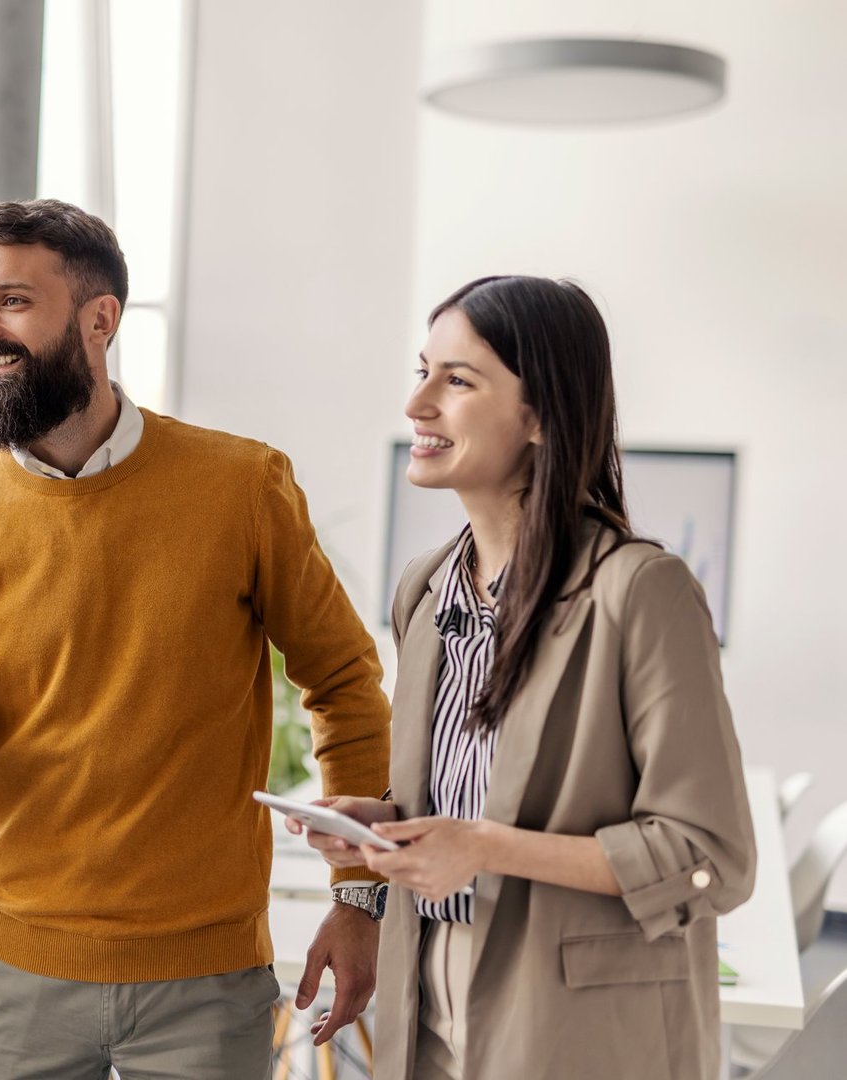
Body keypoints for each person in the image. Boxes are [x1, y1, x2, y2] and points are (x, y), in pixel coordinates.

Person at [0, 199, 392, 1078]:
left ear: (99, 320)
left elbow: (343, 681)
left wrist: (358, 897)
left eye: (12, 302)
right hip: (17, 981)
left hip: (207, 982)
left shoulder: (241, 486)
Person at [296, 275, 756, 1079]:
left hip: (576, 1021)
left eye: (459, 380)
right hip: (427, 1003)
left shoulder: (640, 591)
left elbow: (708, 854)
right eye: (422, 371)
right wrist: (385, 825)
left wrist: (481, 848)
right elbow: (477, 799)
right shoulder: (428, 587)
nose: (417, 406)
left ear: (540, 415)